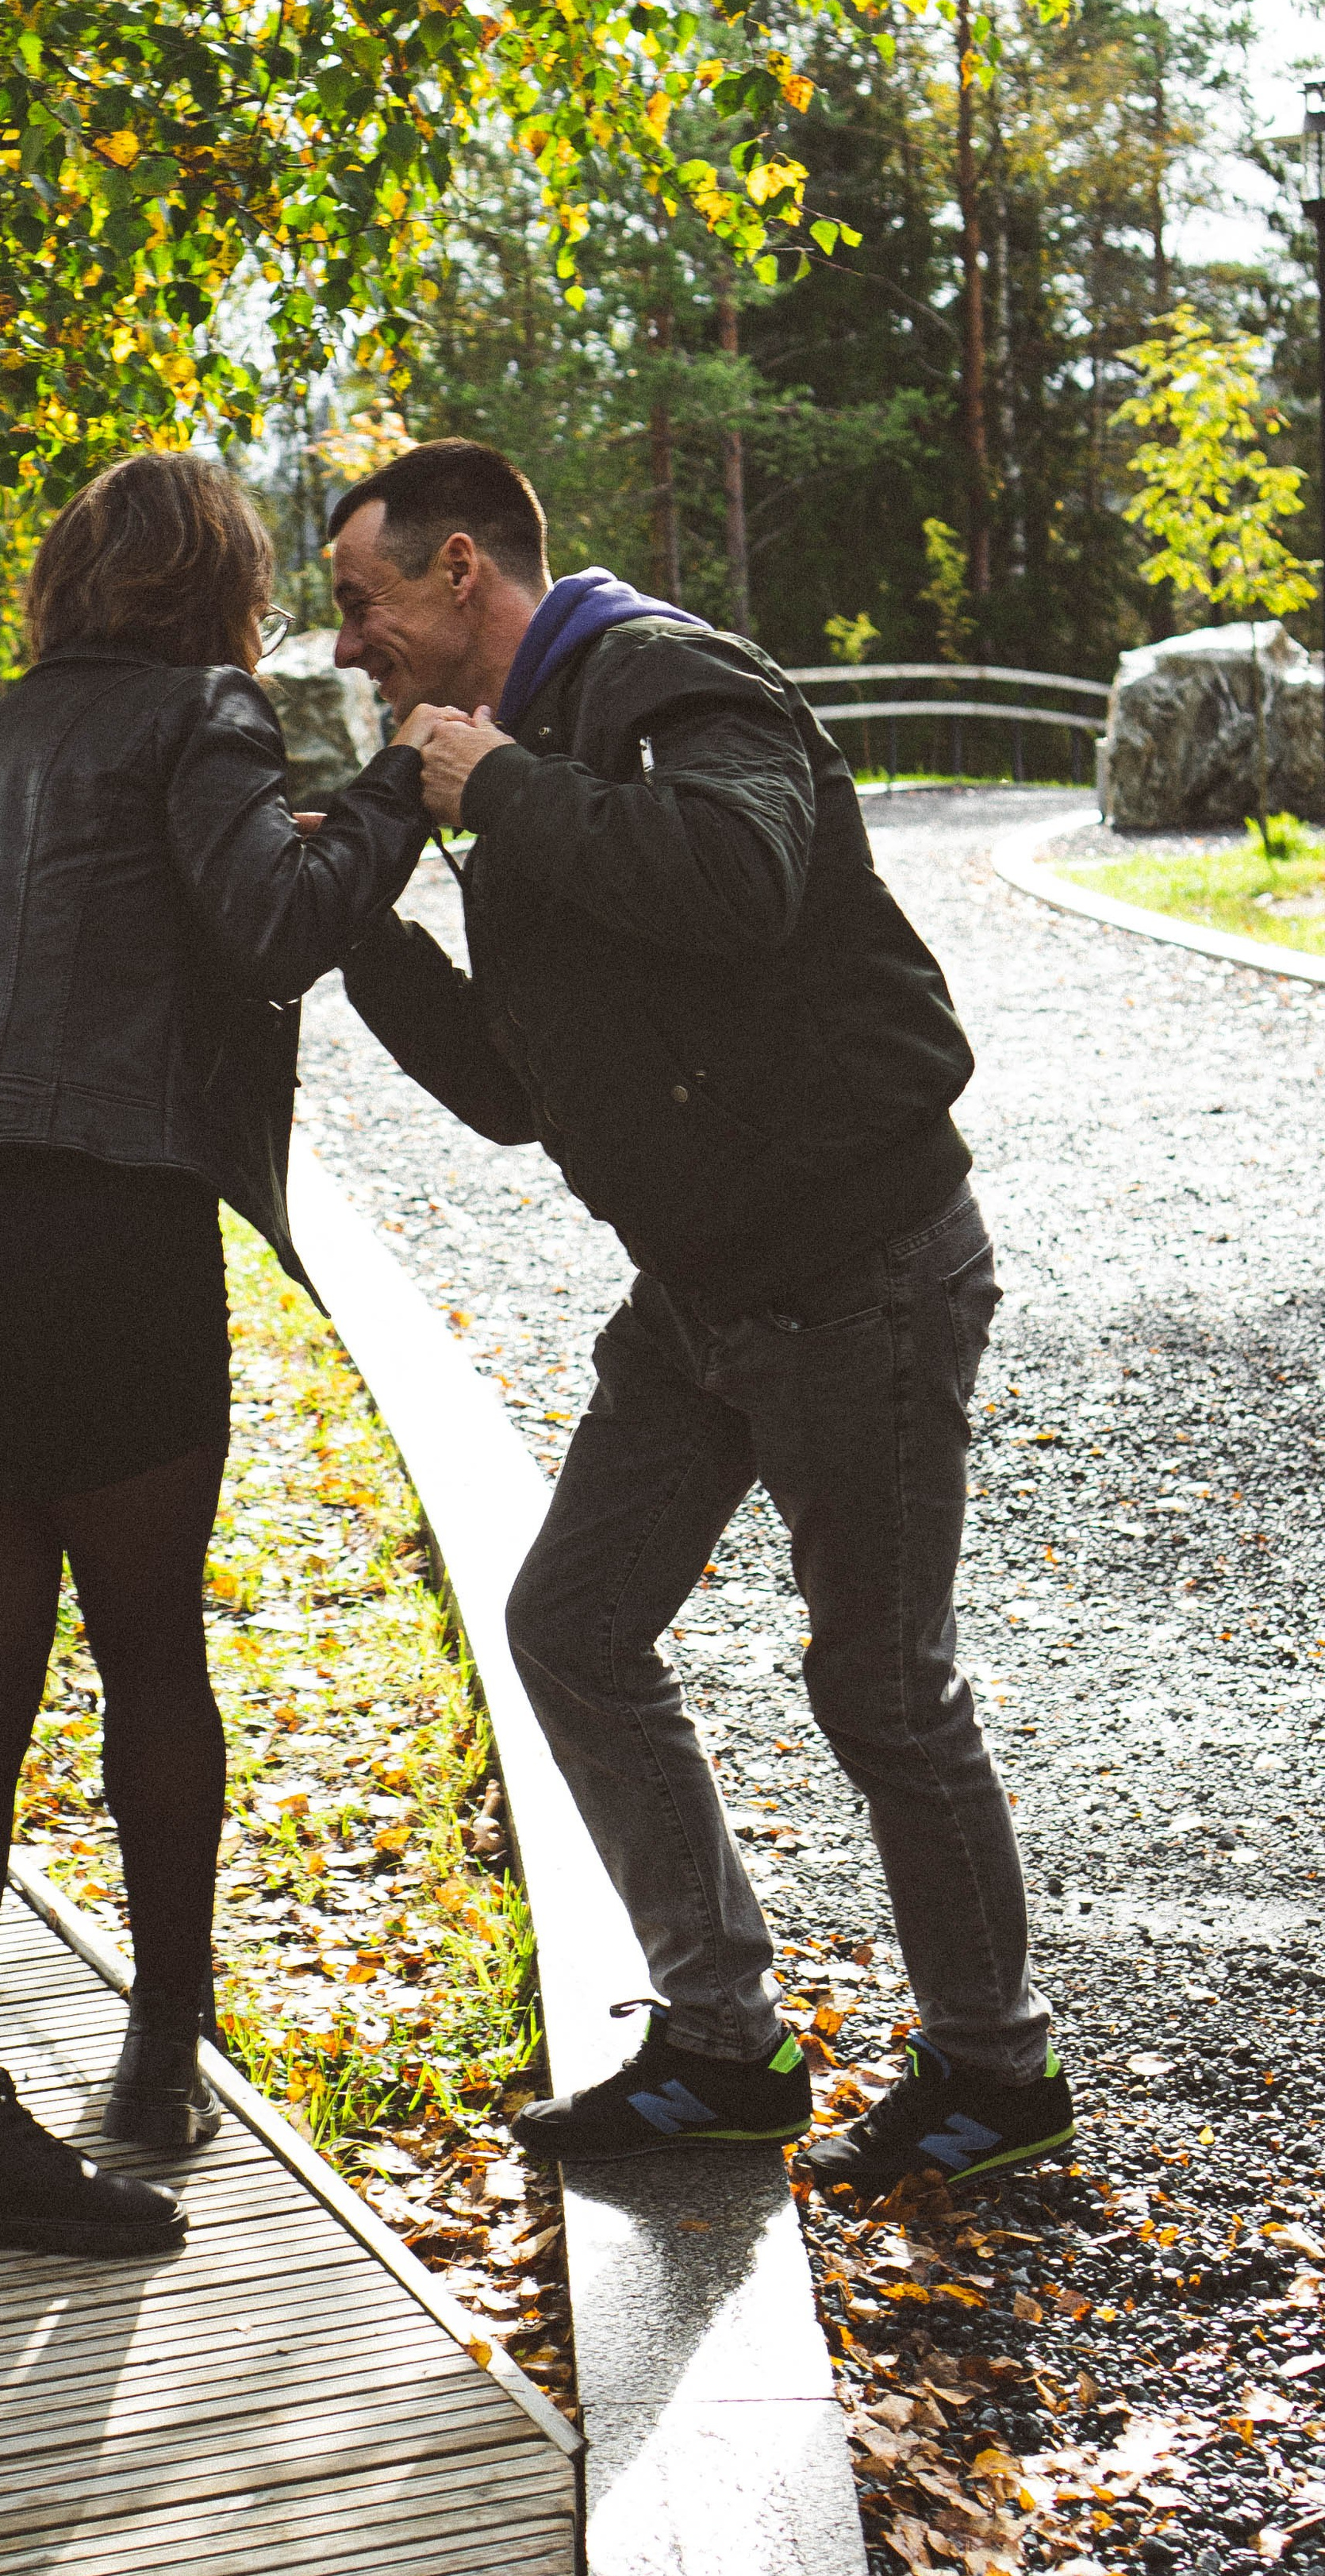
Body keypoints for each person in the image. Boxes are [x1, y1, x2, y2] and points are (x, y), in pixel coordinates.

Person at [326, 437, 1073, 2204]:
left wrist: (494, 786)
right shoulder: (508, 769)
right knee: (571, 1626)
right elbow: (526, 1092)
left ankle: (994, 2071)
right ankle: (721, 2050)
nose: (349, 648)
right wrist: (356, 938)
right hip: (702, 1293)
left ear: (454, 571)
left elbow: (735, 878)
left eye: (359, 605)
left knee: (879, 1689)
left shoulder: (664, 676)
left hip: (855, 1267)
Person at [0, 450, 427, 2259]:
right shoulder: (205, 710)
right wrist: (405, 786)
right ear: (219, 586)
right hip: (102, 1230)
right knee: (148, 1655)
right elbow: (271, 921)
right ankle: (159, 2058)